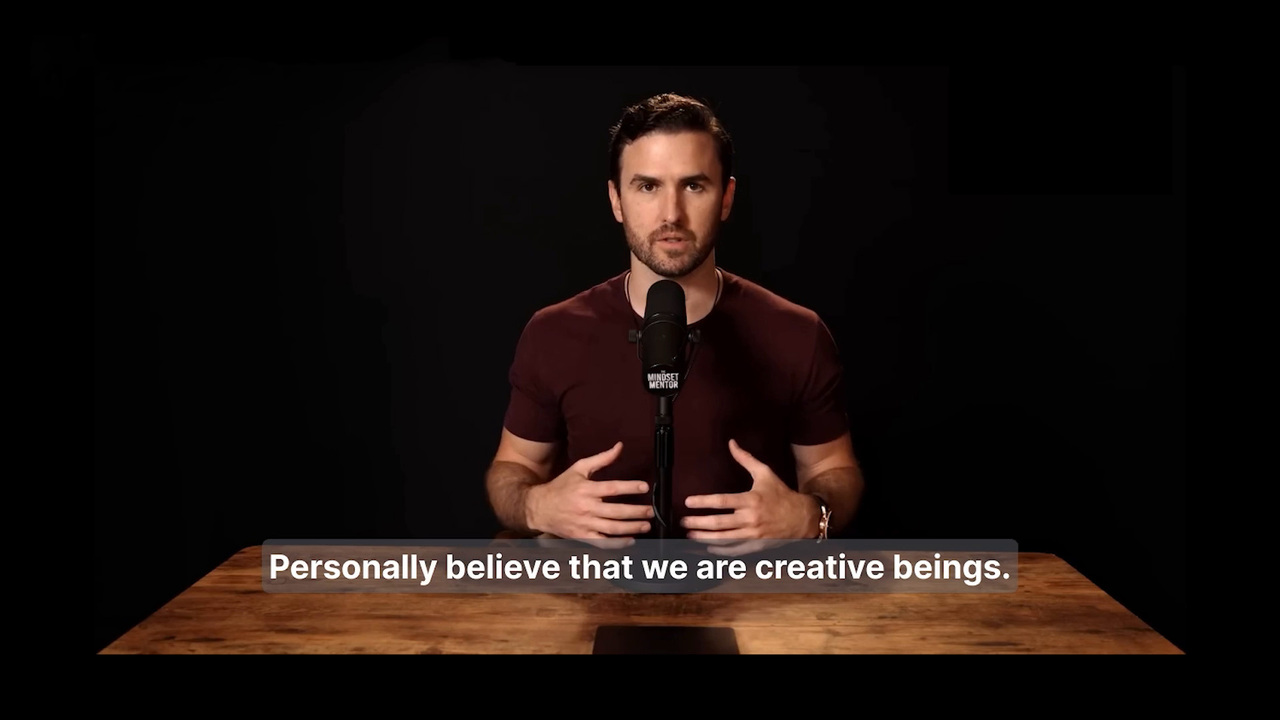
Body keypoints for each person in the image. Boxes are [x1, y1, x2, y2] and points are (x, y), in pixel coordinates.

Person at [485, 93, 863, 545]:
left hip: (747, 582)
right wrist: (535, 505)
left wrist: (808, 515)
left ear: (726, 197)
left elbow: (832, 469)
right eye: (647, 187)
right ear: (616, 199)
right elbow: (514, 467)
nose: (671, 214)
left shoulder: (797, 333)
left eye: (694, 186)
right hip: (592, 581)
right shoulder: (553, 332)